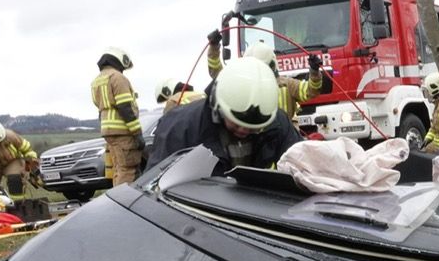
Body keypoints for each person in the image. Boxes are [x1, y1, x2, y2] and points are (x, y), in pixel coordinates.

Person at [149, 56, 303, 176]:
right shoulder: (179, 129)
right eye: (236, 123)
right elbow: (154, 190)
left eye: (253, 128)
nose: (243, 130)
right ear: (217, 106)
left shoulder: (277, 123)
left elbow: (301, 166)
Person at [90, 46, 142, 186]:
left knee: (118, 169)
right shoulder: (118, 78)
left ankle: (117, 200)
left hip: (108, 131)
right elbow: (125, 107)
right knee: (127, 170)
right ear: (119, 61)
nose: (123, 70)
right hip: (122, 131)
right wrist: (137, 133)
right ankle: (124, 202)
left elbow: (98, 104)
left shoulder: (97, 80)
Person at [421, 73, 439, 153]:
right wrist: (428, 138)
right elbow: (434, 128)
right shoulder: (437, 106)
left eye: (428, 91)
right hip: (436, 145)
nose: (427, 94)